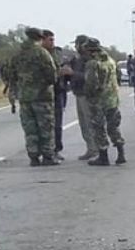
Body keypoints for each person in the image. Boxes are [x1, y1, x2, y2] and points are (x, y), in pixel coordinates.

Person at [13, 27, 59, 166]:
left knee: (30, 128)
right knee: (46, 127)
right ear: (40, 37)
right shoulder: (42, 53)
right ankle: (48, 156)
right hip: (42, 96)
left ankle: (33, 157)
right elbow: (52, 76)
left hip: (24, 97)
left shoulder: (18, 54)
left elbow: (11, 74)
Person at [82, 38, 125, 166]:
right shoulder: (111, 61)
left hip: (98, 100)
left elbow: (91, 83)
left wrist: (88, 95)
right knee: (113, 127)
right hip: (112, 99)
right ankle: (121, 153)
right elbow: (118, 76)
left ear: (89, 50)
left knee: (99, 128)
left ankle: (103, 156)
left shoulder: (93, 63)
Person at [61, 35, 99, 160]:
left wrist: (73, 73)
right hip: (79, 93)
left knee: (89, 123)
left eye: (77, 44)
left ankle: (95, 148)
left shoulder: (90, 60)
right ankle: (91, 148)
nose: (75, 47)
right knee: (84, 124)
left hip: (87, 94)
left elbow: (89, 77)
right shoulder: (77, 59)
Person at [41, 30, 67, 161]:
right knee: (44, 124)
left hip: (58, 92)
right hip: (44, 94)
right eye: (50, 40)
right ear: (42, 40)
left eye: (53, 40)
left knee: (57, 124)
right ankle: (45, 150)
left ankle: (56, 149)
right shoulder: (39, 55)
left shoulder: (57, 53)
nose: (52, 42)